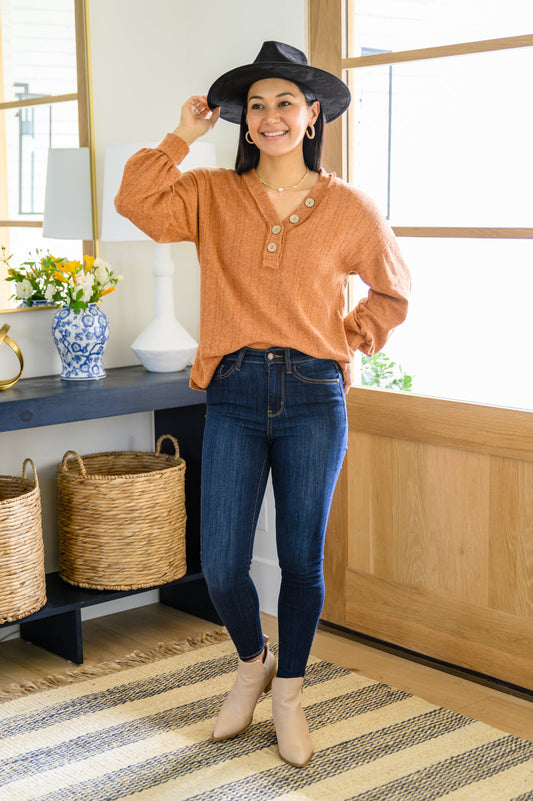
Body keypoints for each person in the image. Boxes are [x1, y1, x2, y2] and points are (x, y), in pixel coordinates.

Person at [115, 40, 410, 768]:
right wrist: (180, 136)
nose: (271, 116)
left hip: (314, 395)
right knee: (219, 563)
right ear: (242, 122)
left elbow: (392, 290)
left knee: (300, 562)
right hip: (234, 392)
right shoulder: (211, 192)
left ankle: (289, 693)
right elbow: (137, 202)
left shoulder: (347, 208)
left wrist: (344, 339)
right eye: (256, 105)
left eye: (285, 102)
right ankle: (252, 661)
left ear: (312, 116)